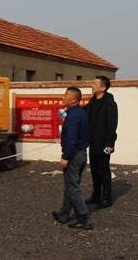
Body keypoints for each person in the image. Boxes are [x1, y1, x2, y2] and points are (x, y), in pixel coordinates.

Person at [52, 87, 93, 230]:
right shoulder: (80, 113)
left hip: (74, 155)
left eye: (66, 95)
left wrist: (65, 157)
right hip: (81, 154)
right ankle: (63, 214)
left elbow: (72, 138)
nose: (63, 98)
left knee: (73, 188)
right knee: (70, 186)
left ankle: (84, 219)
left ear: (74, 100)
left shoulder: (74, 116)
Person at [84, 75, 118, 209]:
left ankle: (107, 198)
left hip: (103, 143)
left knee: (103, 171)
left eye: (95, 84)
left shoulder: (109, 104)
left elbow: (112, 125)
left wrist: (110, 143)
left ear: (103, 88)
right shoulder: (93, 102)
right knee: (94, 170)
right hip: (93, 142)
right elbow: (84, 112)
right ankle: (96, 195)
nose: (92, 86)